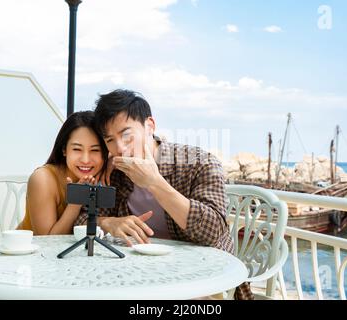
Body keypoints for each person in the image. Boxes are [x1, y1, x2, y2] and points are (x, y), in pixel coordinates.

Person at [74, 89, 253, 300]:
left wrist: (155, 182)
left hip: (201, 276)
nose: (120, 148)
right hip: (136, 272)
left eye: (126, 135)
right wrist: (108, 222)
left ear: (150, 126)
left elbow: (213, 231)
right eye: (110, 140)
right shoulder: (114, 172)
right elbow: (81, 219)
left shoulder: (200, 163)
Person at [17, 111, 107, 235]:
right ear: (64, 149)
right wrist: (76, 202)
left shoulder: (104, 175)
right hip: (28, 251)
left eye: (95, 150)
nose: (86, 160)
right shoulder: (42, 179)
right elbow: (48, 242)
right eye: (77, 149)